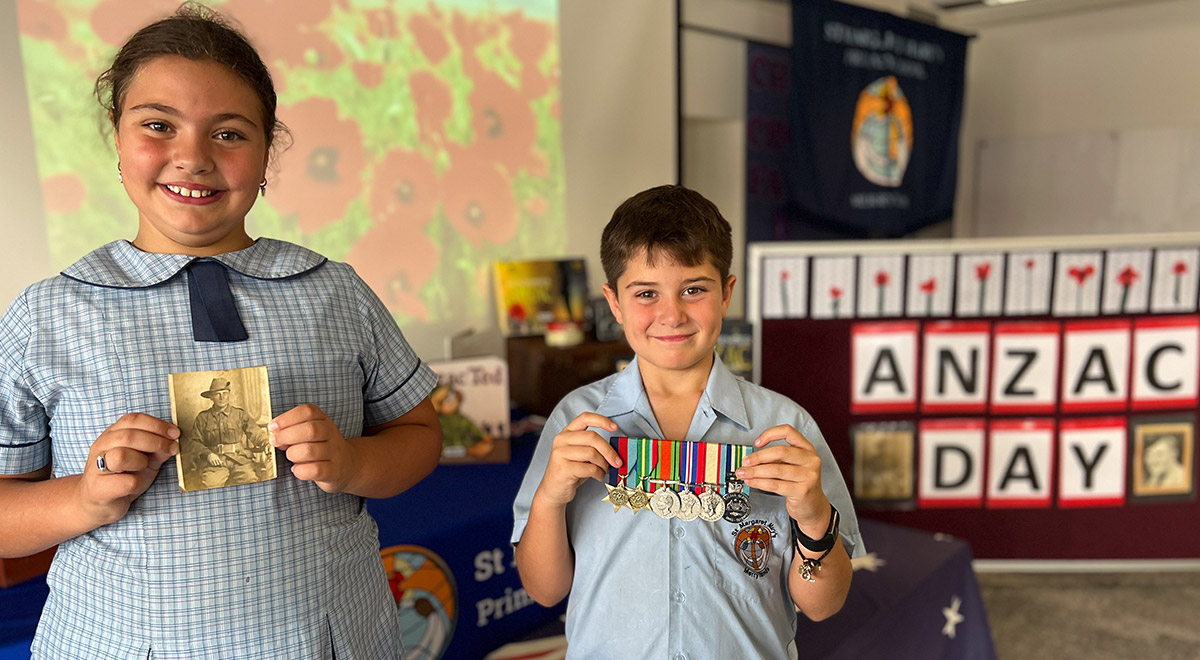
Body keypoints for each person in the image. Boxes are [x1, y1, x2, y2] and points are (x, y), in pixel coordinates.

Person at [0, 4, 442, 658]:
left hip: (330, 635)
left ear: (268, 153)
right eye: (158, 125)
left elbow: (419, 434)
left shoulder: (332, 289)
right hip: (120, 641)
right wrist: (85, 499)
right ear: (117, 139)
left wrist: (352, 461)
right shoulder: (49, 313)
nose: (193, 157)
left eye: (230, 134)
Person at [511, 185, 864, 659]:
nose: (671, 314)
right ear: (614, 302)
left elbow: (825, 604)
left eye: (694, 289)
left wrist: (815, 517)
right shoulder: (575, 422)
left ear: (727, 294)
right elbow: (544, 590)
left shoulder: (785, 427)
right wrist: (550, 499)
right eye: (646, 293)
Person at [186, 376, 272, 488]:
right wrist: (208, 454)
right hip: (215, 462)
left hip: (240, 459)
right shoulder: (202, 418)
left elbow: (255, 432)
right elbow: (194, 442)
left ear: (229, 394)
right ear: (211, 397)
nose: (222, 397)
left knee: (251, 481)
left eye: (225, 393)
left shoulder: (239, 414)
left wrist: (266, 443)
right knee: (210, 485)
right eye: (218, 394)